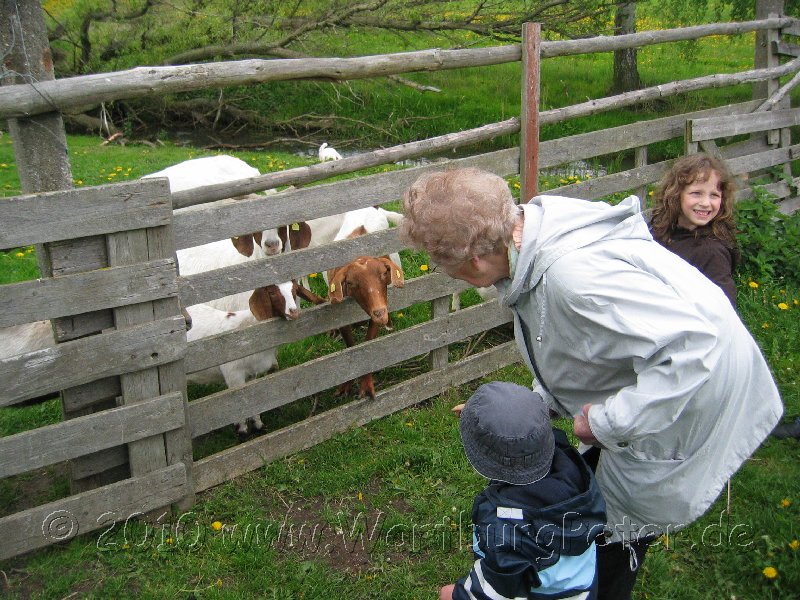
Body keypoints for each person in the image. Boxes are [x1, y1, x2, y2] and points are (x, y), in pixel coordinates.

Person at [400, 167, 783, 600]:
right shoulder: (532, 236)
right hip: (666, 377)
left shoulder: (573, 277)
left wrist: (606, 422)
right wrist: (542, 402)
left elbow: (692, 350)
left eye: (443, 265)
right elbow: (585, 342)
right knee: (595, 511)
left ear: (472, 260)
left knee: (614, 535)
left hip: (694, 391)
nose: (445, 273)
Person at [441, 381, 606, 600]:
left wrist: (455, 595)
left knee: (446, 593)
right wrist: (476, 418)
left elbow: (492, 592)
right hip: (581, 589)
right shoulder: (572, 470)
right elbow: (523, 431)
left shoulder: (504, 530)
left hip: (540, 594)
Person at [649, 153, 740, 307]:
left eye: (714, 195)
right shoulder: (660, 230)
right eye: (696, 193)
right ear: (676, 195)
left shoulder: (711, 252)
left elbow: (724, 308)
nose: (705, 203)